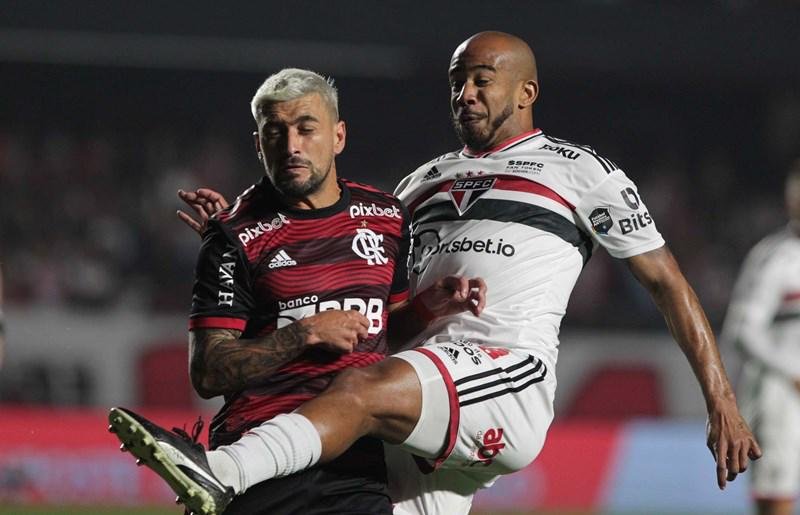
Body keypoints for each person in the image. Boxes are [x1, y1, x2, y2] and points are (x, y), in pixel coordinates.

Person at [111, 31, 761, 515]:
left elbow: (667, 281)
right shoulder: (419, 183)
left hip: (503, 375)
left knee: (360, 387)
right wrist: (249, 234)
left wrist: (722, 399)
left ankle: (220, 470)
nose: (466, 93)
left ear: (527, 91)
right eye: (457, 81)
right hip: (419, 394)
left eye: (482, 79)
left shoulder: (579, 171)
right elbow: (350, 271)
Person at [109, 68, 484, 515]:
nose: (292, 146)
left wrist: (426, 309)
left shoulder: (386, 217)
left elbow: (385, 337)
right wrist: (303, 333)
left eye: (307, 129)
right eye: (276, 133)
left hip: (355, 469)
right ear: (258, 144)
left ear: (338, 136)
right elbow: (208, 373)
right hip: (259, 466)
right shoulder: (234, 236)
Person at [722, 160, 800, 515]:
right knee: (777, 493)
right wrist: (792, 370)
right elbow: (743, 329)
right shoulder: (776, 257)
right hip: (780, 392)